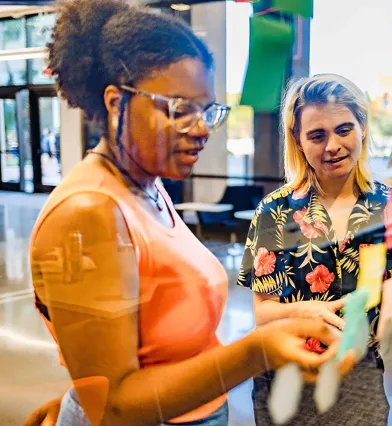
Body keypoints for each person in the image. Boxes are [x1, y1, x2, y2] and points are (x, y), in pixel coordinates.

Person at [25, 2, 356, 426]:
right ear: (115, 103)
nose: (201, 128)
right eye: (179, 109)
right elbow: (111, 407)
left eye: (207, 112)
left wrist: (288, 319)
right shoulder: (87, 213)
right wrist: (257, 350)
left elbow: (144, 351)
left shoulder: (146, 188)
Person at [237, 74, 392, 425]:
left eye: (344, 130)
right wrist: (311, 313)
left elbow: (390, 322)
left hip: (359, 380)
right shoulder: (274, 212)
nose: (332, 146)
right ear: (298, 141)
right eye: (317, 135)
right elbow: (263, 314)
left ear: (362, 129)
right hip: (285, 378)